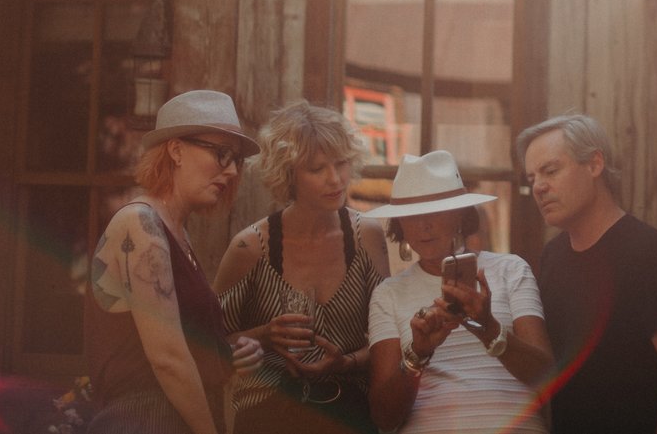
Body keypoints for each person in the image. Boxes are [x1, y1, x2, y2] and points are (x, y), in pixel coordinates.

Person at [84, 90, 265, 434]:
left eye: (237, 160)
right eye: (221, 154)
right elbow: (167, 360)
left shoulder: (175, 233)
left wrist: (226, 354)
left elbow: (173, 345)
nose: (230, 171)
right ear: (176, 150)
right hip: (143, 421)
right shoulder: (141, 224)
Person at [516, 114, 657, 434]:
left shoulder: (649, 254)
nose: (538, 187)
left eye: (550, 171)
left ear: (594, 164)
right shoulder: (552, 257)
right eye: (531, 178)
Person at [215, 101, 390, 434]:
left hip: (348, 414)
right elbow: (208, 344)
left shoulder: (366, 235)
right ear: (288, 173)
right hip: (269, 414)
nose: (335, 179)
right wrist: (262, 337)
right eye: (317, 168)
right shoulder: (250, 247)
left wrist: (348, 362)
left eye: (341, 163)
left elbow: (389, 340)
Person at [363, 150, 553, 434]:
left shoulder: (510, 270)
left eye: (435, 211)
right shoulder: (388, 294)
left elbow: (547, 377)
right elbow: (384, 418)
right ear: (399, 224)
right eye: (411, 216)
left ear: (460, 215)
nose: (423, 225)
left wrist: (489, 328)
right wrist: (417, 354)